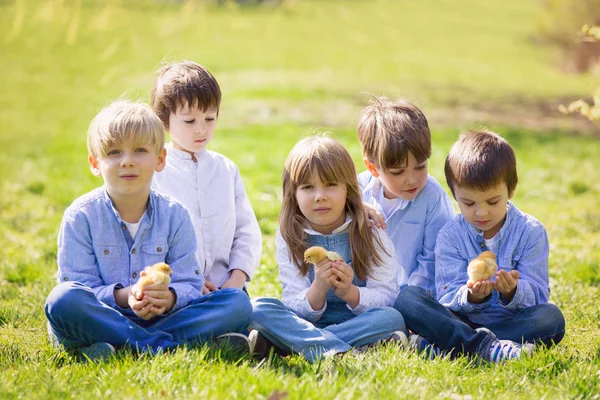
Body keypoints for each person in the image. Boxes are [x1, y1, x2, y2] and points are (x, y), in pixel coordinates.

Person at [44, 100, 252, 361]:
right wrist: (125, 295)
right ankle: (166, 344)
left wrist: (169, 297)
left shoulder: (175, 215)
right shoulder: (81, 216)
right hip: (105, 316)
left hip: (164, 317)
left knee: (237, 303)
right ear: (95, 163)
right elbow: (79, 285)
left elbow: (190, 282)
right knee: (63, 300)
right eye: (114, 153)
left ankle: (119, 346)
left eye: (140, 150)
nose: (127, 161)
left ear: (160, 159)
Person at [395, 130, 565, 362]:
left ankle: (449, 347)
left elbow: (538, 293)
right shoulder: (451, 235)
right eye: (468, 203)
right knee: (408, 299)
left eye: (493, 201)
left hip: (512, 320)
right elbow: (446, 296)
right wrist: (473, 297)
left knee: (550, 318)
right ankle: (491, 349)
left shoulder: (531, 232)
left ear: (511, 190)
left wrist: (512, 291)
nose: (481, 212)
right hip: (461, 319)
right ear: (455, 195)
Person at [250, 135, 407, 362]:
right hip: (307, 322)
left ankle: (294, 344)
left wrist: (350, 293)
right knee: (257, 308)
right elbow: (293, 300)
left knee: (392, 318)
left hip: (359, 322)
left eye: (331, 185)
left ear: (348, 189)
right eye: (307, 187)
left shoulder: (370, 232)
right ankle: (339, 348)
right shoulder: (290, 236)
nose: (320, 196)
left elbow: (387, 296)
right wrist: (318, 289)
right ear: (293, 195)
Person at [150, 60, 262, 295]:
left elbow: (246, 231)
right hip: (177, 289)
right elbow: (151, 240)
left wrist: (237, 279)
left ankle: (232, 321)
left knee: (257, 309)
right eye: (189, 121)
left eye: (209, 119)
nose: (201, 129)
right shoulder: (155, 172)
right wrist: (187, 282)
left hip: (228, 289)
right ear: (164, 121)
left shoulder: (226, 170)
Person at [357, 96, 455, 297]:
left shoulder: (432, 197)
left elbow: (434, 260)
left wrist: (406, 298)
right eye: (398, 172)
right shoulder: (358, 191)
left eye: (420, 167)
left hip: (418, 295)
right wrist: (354, 209)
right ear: (373, 168)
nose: (412, 180)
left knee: (410, 304)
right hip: (368, 294)